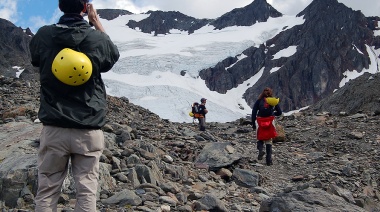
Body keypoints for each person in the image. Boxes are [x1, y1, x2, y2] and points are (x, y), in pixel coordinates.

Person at [29, 0, 120, 211]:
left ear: (60, 7)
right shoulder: (97, 38)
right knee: (87, 191)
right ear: (84, 8)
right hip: (88, 128)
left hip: (54, 127)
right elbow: (112, 56)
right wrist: (96, 22)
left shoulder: (44, 35)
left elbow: (35, 59)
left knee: (47, 191)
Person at [251, 87, 282, 166]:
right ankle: (269, 160)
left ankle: (261, 150)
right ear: (270, 93)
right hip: (270, 121)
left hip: (260, 120)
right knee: (269, 140)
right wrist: (273, 114)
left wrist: (253, 123)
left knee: (260, 137)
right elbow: (280, 112)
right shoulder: (273, 101)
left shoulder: (259, 101)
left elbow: (254, 111)